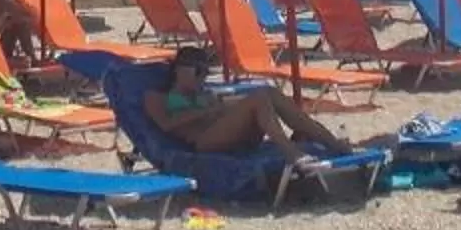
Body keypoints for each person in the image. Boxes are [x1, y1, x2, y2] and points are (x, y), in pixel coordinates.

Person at [144, 44, 353, 155]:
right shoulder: (157, 97)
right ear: (180, 69)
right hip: (204, 142)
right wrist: (207, 110)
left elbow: (223, 114)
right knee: (260, 96)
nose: (203, 76)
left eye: (206, 72)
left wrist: (222, 106)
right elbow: (167, 125)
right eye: (198, 71)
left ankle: (331, 142)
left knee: (268, 92)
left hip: (232, 136)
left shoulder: (204, 93)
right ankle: (290, 152)